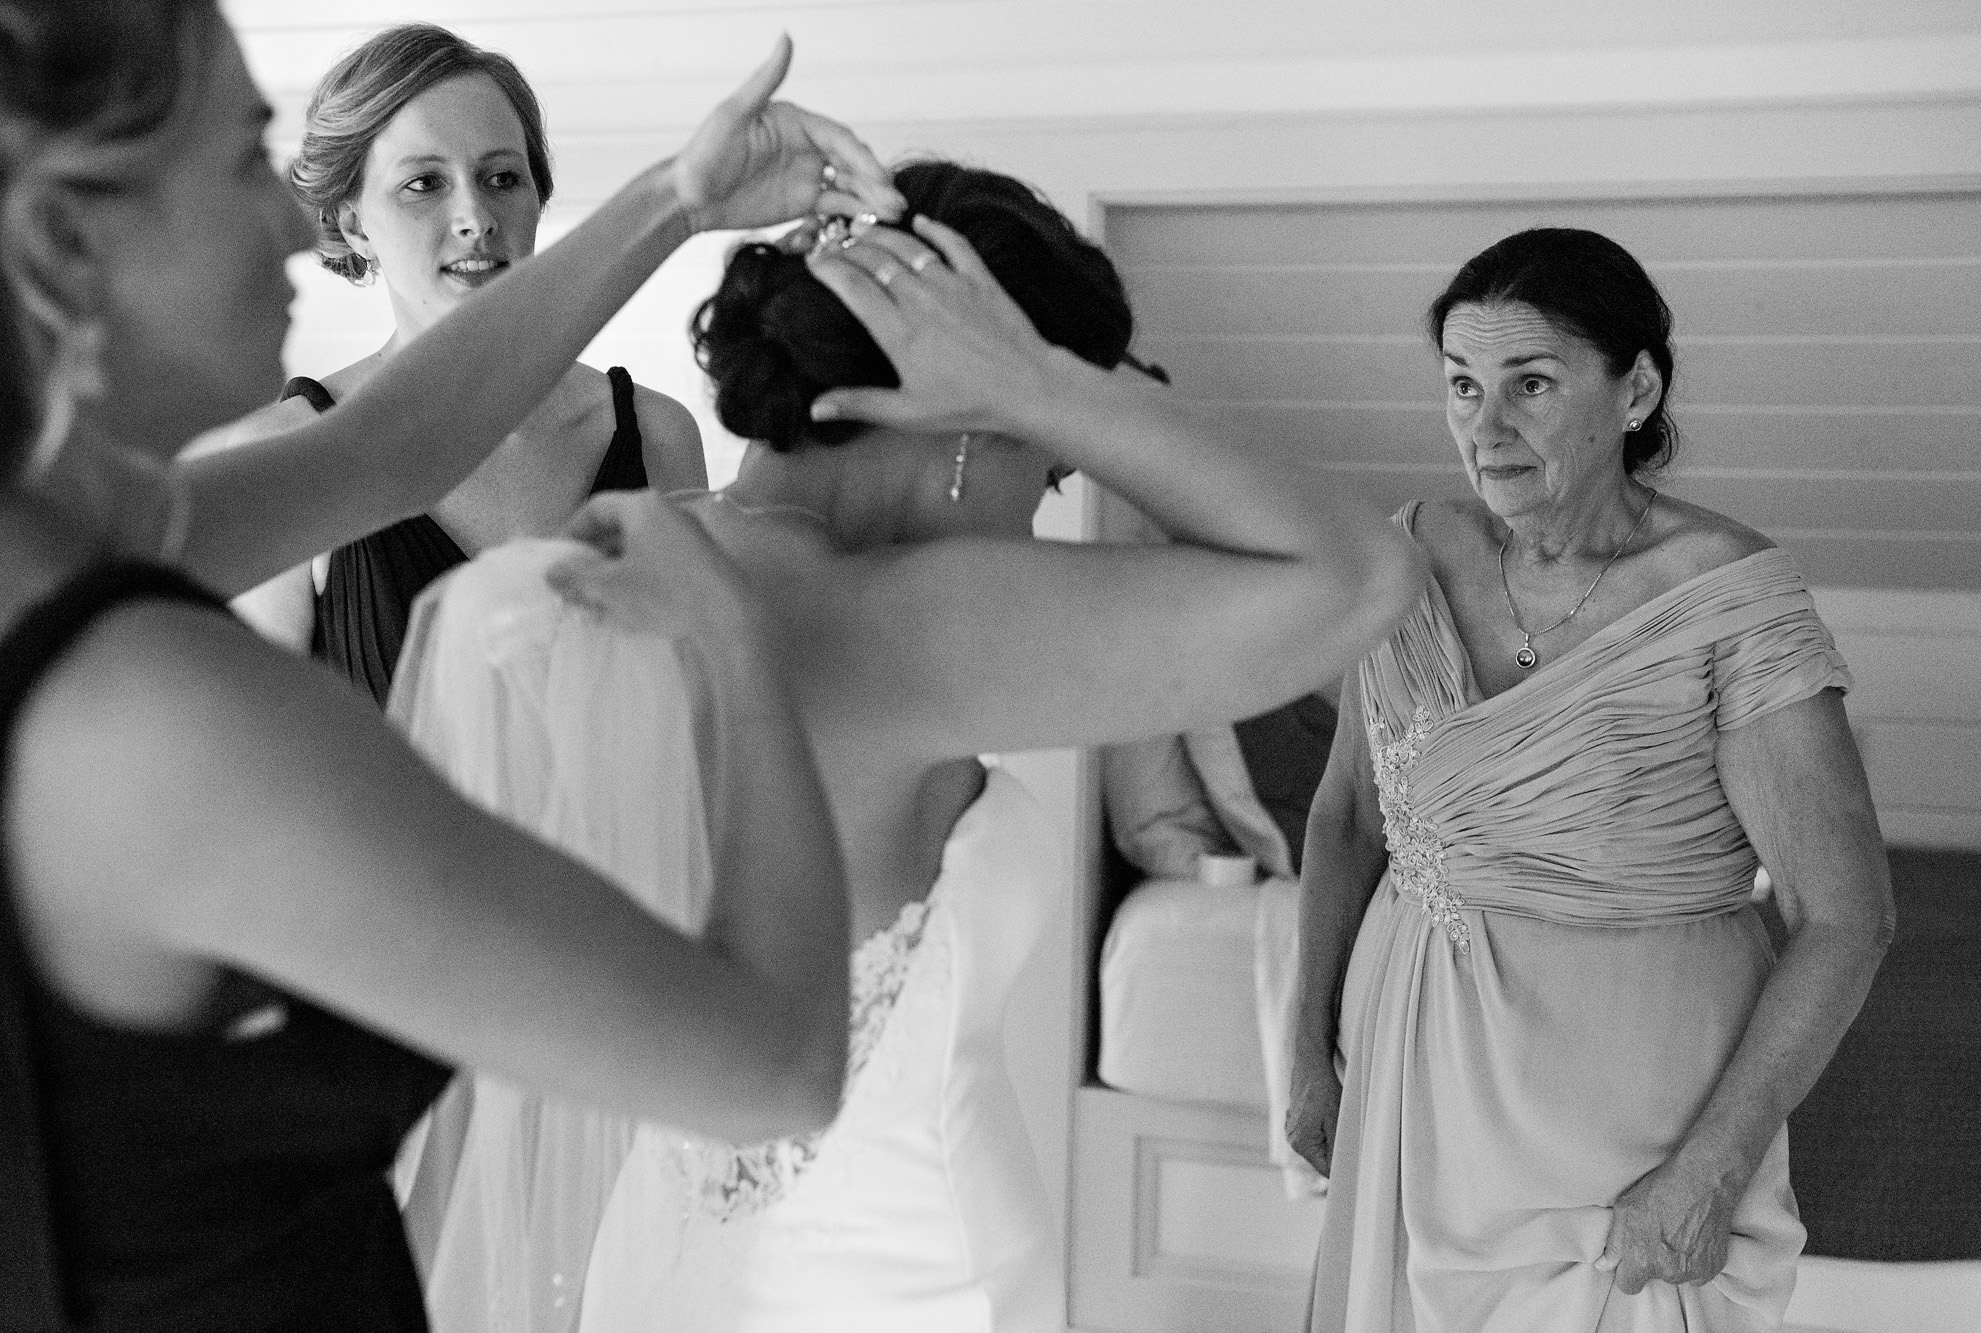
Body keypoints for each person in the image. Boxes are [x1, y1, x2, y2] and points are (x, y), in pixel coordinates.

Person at [387, 161, 1427, 1333]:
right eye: (1048, 461)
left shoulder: (616, 565)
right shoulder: (902, 620)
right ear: (968, 427)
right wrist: (1041, 384)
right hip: (894, 1282)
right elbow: (1360, 576)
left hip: (659, 1265)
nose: (1045, 499)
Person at [0, 0, 902, 1325]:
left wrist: (682, 195)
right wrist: (730, 632)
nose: (297, 226)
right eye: (248, 157)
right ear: (67, 239)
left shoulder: (72, 539)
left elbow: (390, 450)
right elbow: (771, 1062)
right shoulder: (154, 710)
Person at [1284, 227, 1895, 1332]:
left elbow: (1846, 917)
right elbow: (1343, 820)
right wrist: (1304, 1052)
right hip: (1414, 1072)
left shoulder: (1724, 597)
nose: (1485, 426)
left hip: (1627, 1116)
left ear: (1634, 389)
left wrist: (1712, 1164)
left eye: (1530, 384)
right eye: (1461, 387)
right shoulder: (1408, 556)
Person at [230, 24, 708, 704]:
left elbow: (701, 719)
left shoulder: (659, 435)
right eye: (424, 183)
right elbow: (252, 772)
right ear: (354, 223)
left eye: (502, 178)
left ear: (538, 197)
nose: (475, 216)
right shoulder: (282, 456)